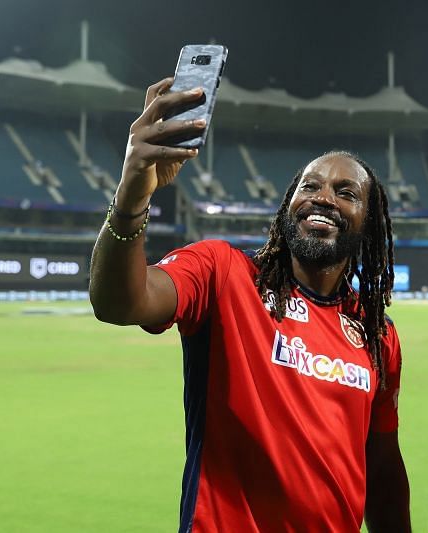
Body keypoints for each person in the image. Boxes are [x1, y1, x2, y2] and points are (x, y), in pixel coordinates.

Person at [90, 78, 411, 532]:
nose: (323, 197)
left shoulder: (377, 334)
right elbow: (120, 302)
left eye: (346, 192)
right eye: (310, 186)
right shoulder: (222, 272)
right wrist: (132, 192)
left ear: (370, 221)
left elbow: (381, 473)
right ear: (287, 205)